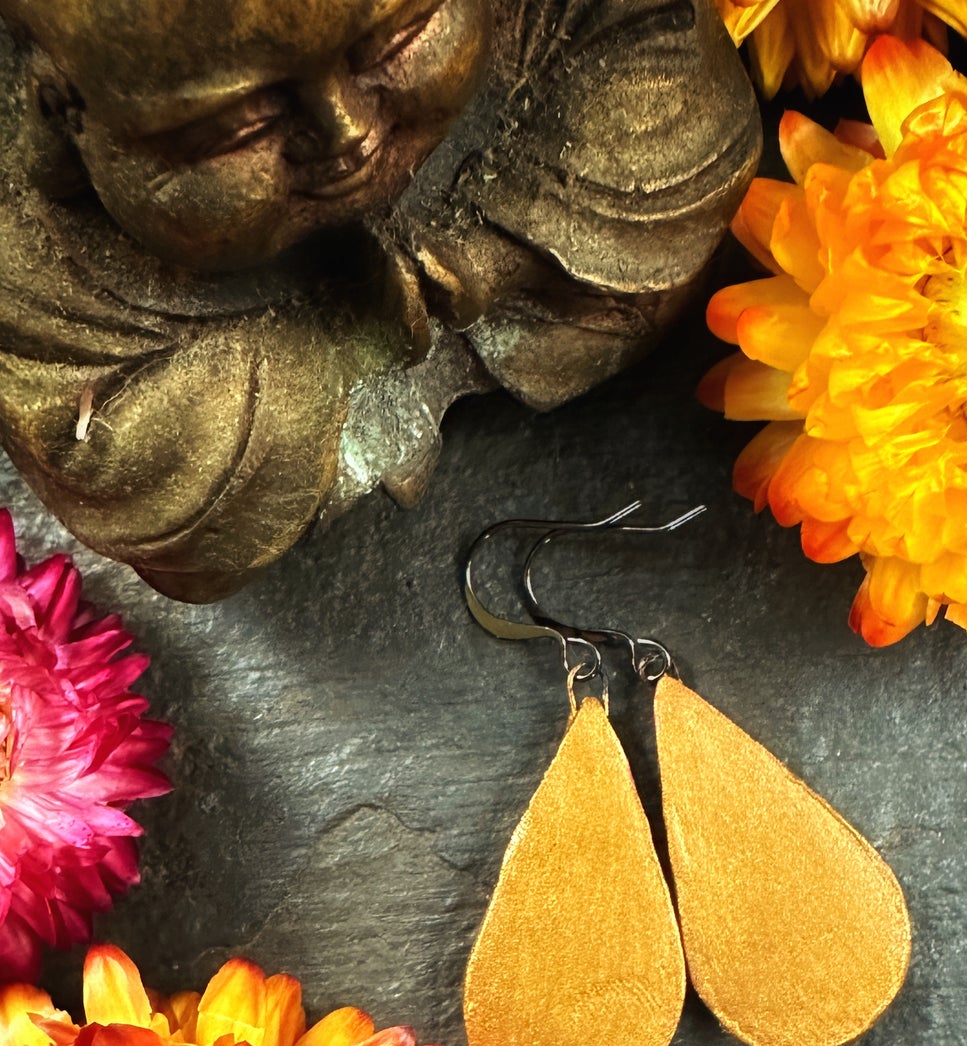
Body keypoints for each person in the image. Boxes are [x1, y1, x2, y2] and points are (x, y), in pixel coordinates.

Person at [0, 0, 759, 598]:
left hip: (510, 141)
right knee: (155, 473)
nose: (348, 136)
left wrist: (488, 258)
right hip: (204, 323)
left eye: (396, 44)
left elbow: (663, 49)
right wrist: (345, 337)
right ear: (57, 110)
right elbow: (110, 457)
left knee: (677, 139)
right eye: (243, 125)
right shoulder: (31, 253)